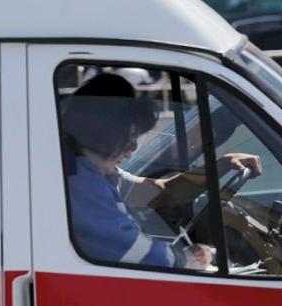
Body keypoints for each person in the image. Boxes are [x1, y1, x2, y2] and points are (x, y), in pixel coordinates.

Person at [61, 73, 262, 270]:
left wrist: (222, 165)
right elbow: (134, 251)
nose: (132, 150)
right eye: (129, 138)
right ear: (105, 133)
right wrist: (187, 259)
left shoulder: (96, 172)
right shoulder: (78, 179)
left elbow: (163, 192)